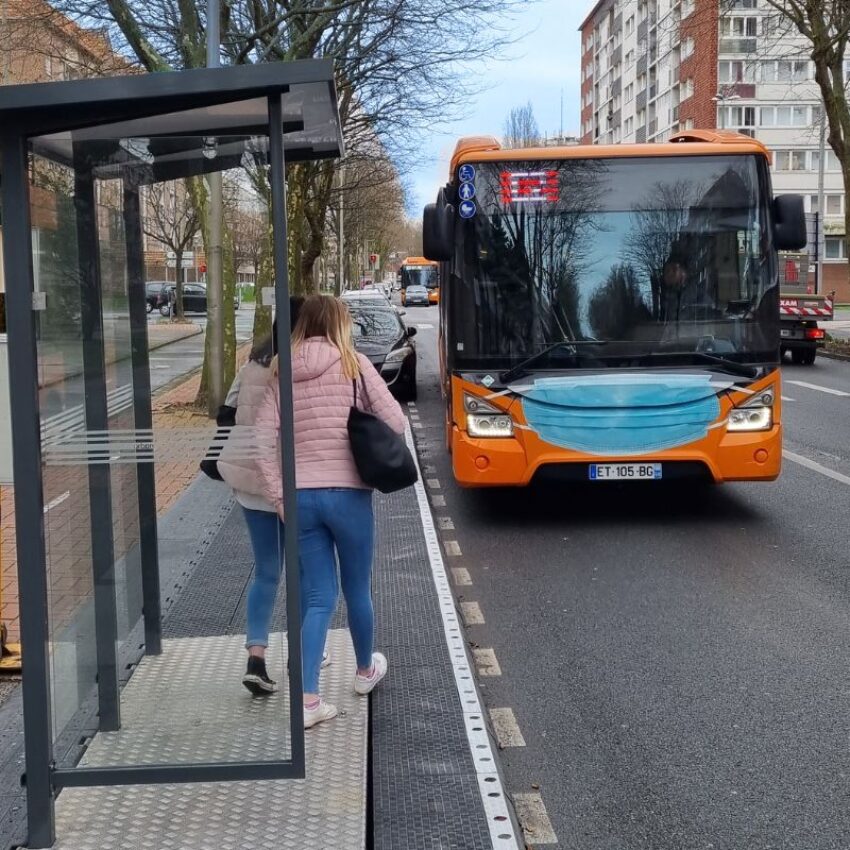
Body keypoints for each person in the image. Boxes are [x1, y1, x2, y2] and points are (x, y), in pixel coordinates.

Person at [255, 295, 406, 729]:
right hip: (348, 495)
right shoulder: (355, 364)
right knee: (357, 588)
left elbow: (262, 441)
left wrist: (278, 497)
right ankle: (364, 670)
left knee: (319, 596)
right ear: (339, 323)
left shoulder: (281, 371)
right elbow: (396, 421)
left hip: (300, 497)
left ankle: (308, 699)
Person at [218, 298, 326, 694]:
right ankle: (304, 654)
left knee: (266, 570)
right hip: (289, 483)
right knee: (304, 572)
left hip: (250, 483)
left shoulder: (253, 363)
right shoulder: (301, 367)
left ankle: (256, 657)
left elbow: (227, 412)